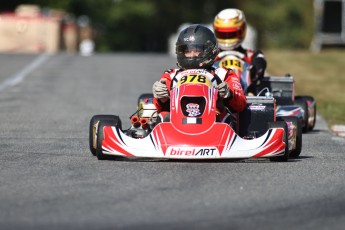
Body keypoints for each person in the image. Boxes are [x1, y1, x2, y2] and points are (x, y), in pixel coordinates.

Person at [152, 24, 246, 123]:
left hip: (214, 125)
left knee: (225, 118)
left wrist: (229, 94)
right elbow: (158, 107)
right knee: (161, 116)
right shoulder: (170, 75)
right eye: (187, 51)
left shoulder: (224, 74)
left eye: (197, 50)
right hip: (177, 124)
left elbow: (241, 104)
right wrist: (161, 98)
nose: (192, 55)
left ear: (209, 50)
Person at [213, 8, 267, 95]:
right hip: (216, 94)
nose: (227, 38)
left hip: (248, 95)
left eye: (232, 34)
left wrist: (256, 70)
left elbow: (260, 62)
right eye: (223, 34)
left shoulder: (252, 55)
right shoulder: (211, 55)